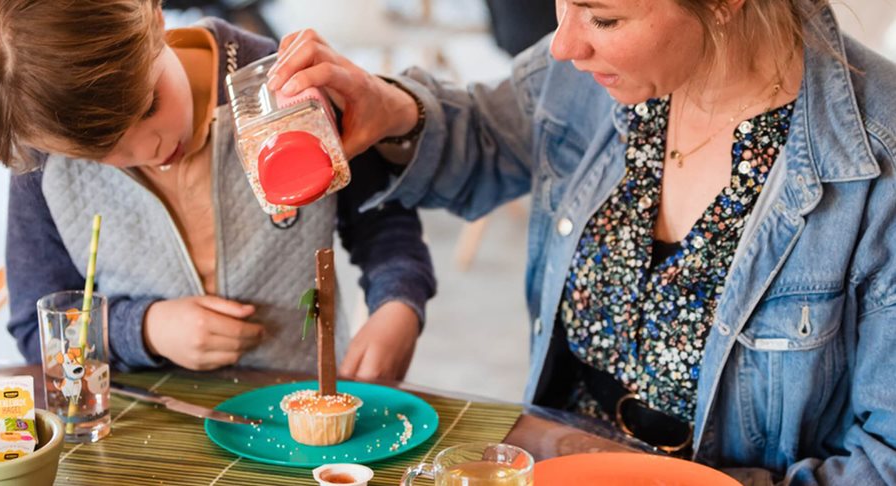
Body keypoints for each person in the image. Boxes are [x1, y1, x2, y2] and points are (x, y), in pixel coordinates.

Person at [266, 0, 896, 482]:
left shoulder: (878, 164)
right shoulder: (591, 76)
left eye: (603, 16)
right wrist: (392, 106)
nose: (565, 44)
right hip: (548, 457)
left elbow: (885, 460)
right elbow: (489, 133)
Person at [0, 0, 436, 380]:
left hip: (297, 400)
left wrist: (398, 305)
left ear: (156, 19)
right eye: (102, 154)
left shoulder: (289, 86)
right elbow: (39, 328)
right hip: (142, 428)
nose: (151, 148)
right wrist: (145, 329)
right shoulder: (46, 154)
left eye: (147, 107)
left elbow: (383, 221)